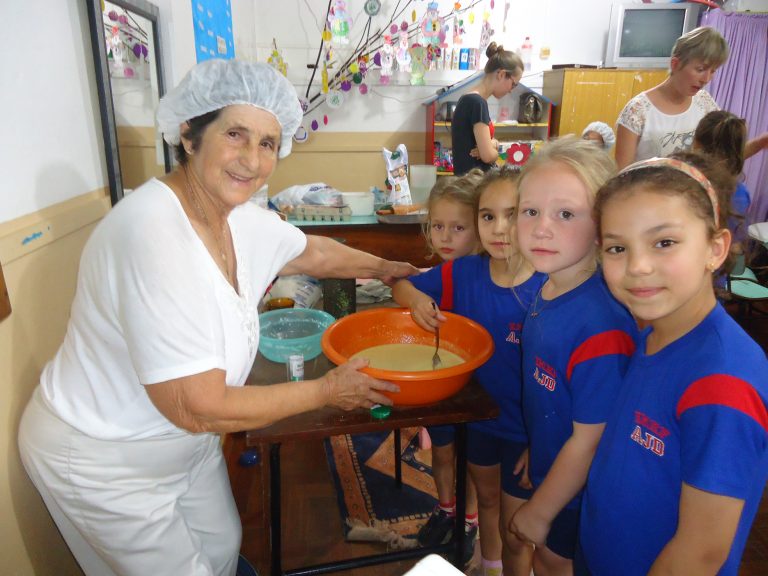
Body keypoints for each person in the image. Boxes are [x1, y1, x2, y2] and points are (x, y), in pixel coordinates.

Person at [16, 59, 417, 576]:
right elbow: (197, 406)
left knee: (224, 545)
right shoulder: (152, 234)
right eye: (235, 135)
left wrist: (390, 269)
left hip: (183, 441)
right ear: (189, 135)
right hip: (105, 457)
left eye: (268, 143)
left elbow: (313, 253)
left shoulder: (237, 218)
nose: (252, 160)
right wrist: (326, 392)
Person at [579, 152, 768, 575]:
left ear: (715, 248)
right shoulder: (653, 333)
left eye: (664, 242)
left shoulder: (724, 384)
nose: (638, 266)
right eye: (617, 248)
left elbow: (701, 553)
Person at [394, 166, 545, 576]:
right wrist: (416, 302)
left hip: (527, 433)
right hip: (480, 422)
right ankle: (489, 566)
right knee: (488, 501)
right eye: (488, 216)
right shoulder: (463, 272)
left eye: (513, 214)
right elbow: (402, 285)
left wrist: (545, 440)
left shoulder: (548, 285)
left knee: (519, 530)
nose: (500, 228)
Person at [508, 137, 637, 576]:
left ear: (603, 227)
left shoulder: (600, 327)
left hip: (580, 493)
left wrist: (541, 509)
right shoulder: (549, 285)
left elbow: (589, 440)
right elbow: (554, 400)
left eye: (565, 214)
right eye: (530, 211)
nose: (541, 228)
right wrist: (538, 447)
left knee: (551, 562)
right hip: (554, 467)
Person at [414, 171, 484, 565]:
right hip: (442, 386)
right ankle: (446, 508)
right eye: (437, 226)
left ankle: (469, 520)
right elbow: (403, 285)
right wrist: (416, 301)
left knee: (473, 461)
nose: (445, 237)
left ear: (479, 229)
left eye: (458, 228)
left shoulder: (487, 273)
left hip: (480, 393)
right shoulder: (440, 275)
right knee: (442, 453)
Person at [614, 26, 768, 170]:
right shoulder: (637, 110)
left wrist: (760, 143)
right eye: (700, 69)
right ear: (675, 64)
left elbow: (725, 159)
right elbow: (622, 175)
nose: (706, 79)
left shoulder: (705, 103)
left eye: (713, 71)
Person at [451, 42, 523, 176]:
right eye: (513, 84)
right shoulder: (477, 103)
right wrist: (495, 150)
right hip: (473, 183)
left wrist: (492, 144)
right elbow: (488, 156)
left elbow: (488, 144)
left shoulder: (470, 99)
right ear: (501, 74)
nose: (511, 90)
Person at [693, 110, 750, 254]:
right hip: (722, 262)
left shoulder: (683, 184)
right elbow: (734, 244)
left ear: (696, 143)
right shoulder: (741, 193)